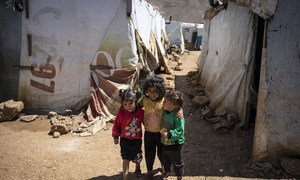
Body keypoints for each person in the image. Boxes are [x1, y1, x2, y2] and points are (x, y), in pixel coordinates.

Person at [140, 75, 183, 178]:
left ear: (160, 90)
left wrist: (180, 109)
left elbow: (175, 104)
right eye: (149, 91)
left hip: (161, 133)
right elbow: (135, 107)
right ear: (146, 90)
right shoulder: (145, 100)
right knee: (149, 152)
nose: (152, 94)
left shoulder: (164, 101)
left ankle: (164, 168)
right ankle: (149, 170)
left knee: (162, 153)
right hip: (148, 132)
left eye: (155, 91)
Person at [112, 89, 144, 180]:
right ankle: (125, 178)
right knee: (125, 159)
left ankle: (138, 168)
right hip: (125, 140)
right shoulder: (121, 114)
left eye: (130, 103)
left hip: (137, 140)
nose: (127, 106)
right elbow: (116, 125)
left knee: (137, 157)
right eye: (125, 104)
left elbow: (146, 122)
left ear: (135, 101)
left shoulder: (141, 112)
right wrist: (115, 136)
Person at [160, 90, 185, 180]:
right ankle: (167, 171)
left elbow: (180, 131)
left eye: (165, 101)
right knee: (165, 159)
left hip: (175, 144)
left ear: (172, 106)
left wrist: (169, 134)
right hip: (165, 141)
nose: (163, 102)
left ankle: (179, 175)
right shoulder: (166, 110)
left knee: (177, 161)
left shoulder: (178, 116)